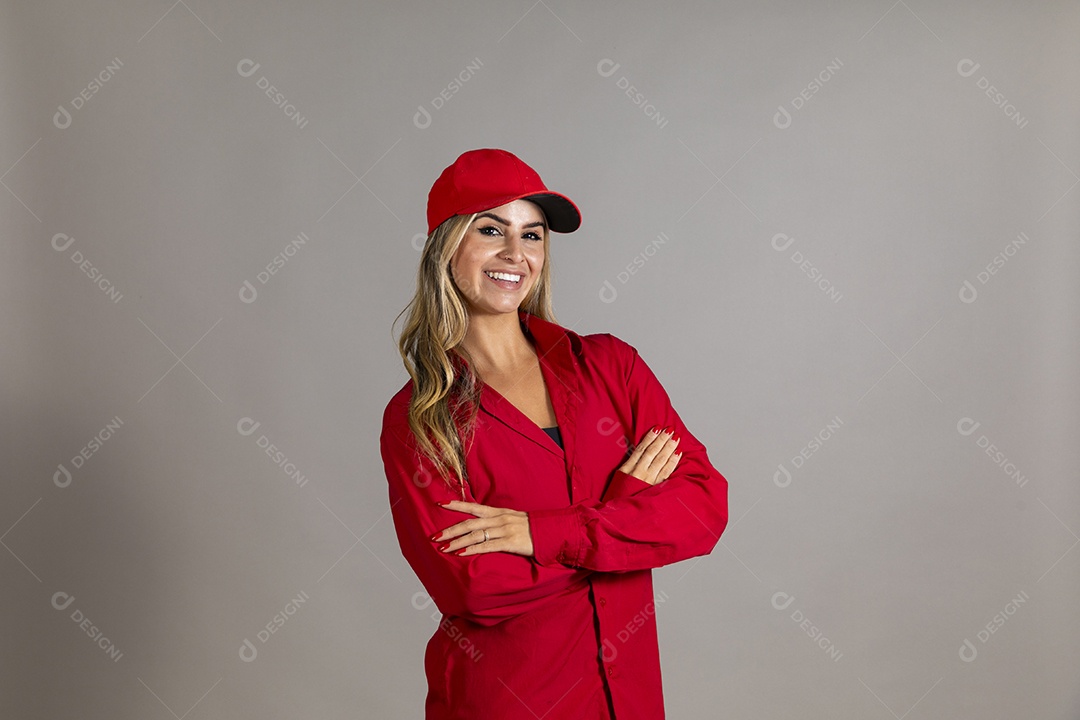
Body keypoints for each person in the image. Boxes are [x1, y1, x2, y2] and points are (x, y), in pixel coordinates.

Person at [380, 148, 729, 719]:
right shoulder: (421, 417)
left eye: (533, 235)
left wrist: (538, 534)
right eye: (491, 230)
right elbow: (474, 587)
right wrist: (624, 510)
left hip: (629, 702)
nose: (515, 255)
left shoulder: (611, 367)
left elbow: (701, 509)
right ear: (447, 247)